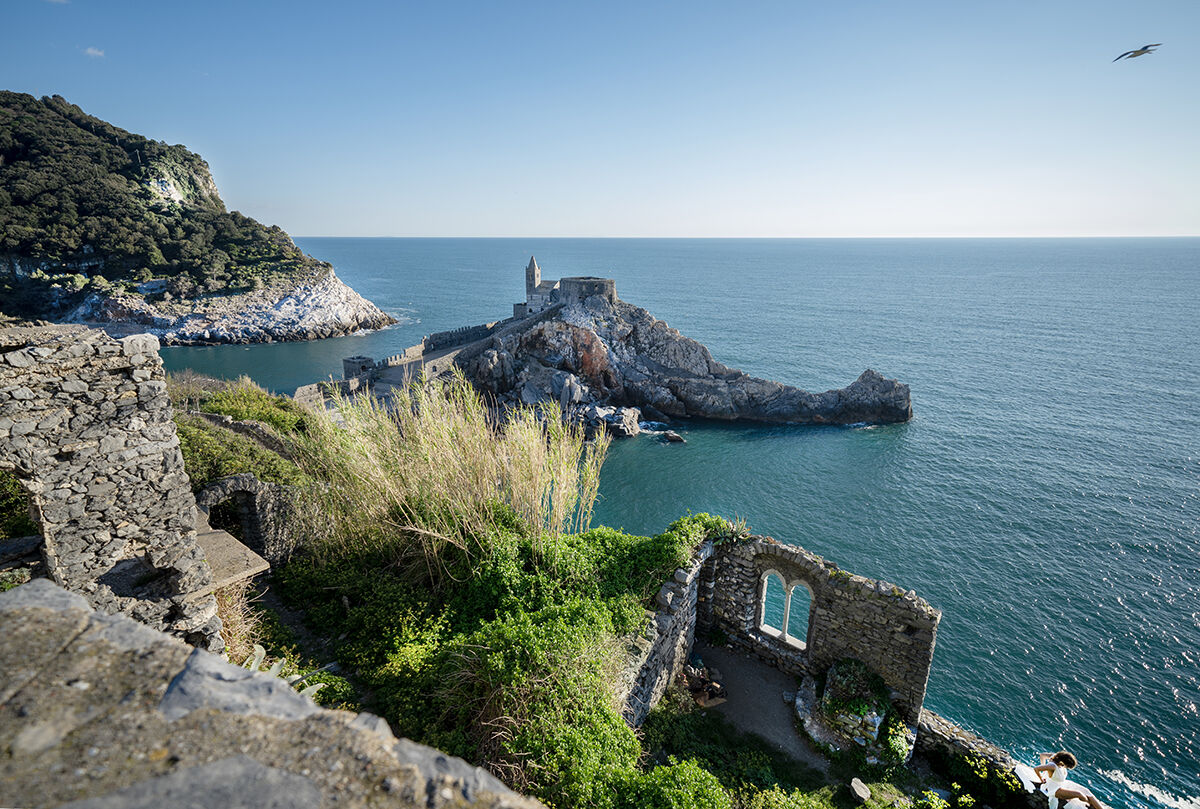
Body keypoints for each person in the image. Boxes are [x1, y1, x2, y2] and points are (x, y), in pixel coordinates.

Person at [1033, 751, 1106, 809]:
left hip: (1062, 783)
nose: (1066, 768)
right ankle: (1090, 804)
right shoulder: (1052, 766)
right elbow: (1036, 769)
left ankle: (1096, 806)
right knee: (1079, 794)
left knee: (1086, 791)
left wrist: (1044, 772)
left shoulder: (1056, 758)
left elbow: (1042, 755)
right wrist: (1042, 778)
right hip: (1054, 789)